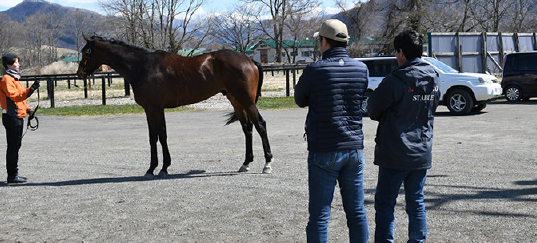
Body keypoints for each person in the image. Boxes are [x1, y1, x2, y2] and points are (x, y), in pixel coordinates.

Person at [295, 19, 369, 243]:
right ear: (345, 42)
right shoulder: (361, 69)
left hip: (324, 147)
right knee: (356, 212)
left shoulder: (314, 70)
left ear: (324, 42)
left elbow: (300, 99)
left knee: (319, 215)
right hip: (354, 147)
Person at [367, 30, 440, 243]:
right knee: (416, 202)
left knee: (385, 203)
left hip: (395, 151)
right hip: (421, 151)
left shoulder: (396, 79)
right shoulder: (434, 76)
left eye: (396, 52)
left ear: (401, 52)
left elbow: (373, 109)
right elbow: (434, 104)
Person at [1, 53, 40, 183]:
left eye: (18, 62)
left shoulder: (14, 79)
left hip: (16, 116)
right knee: (13, 147)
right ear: (8, 64)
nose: (18, 64)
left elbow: (20, 101)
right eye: (15, 62)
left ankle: (13, 174)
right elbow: (16, 97)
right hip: (12, 117)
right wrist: (32, 89)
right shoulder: (7, 79)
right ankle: (12, 175)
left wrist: (29, 110)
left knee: (15, 146)